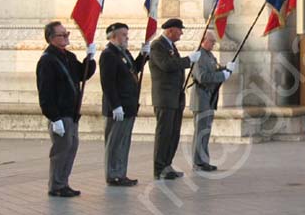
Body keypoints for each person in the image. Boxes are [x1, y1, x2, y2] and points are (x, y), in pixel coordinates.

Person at [36, 21, 96, 197]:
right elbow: (45, 92)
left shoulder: (68, 56)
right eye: (62, 35)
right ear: (51, 38)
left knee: (71, 148)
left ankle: (63, 182)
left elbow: (81, 74)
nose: (66, 37)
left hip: (72, 113)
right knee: (61, 151)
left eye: (67, 34)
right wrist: (54, 118)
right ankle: (56, 186)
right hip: (60, 114)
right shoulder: (47, 60)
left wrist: (90, 58)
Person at [149, 18, 201, 180]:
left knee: (173, 133)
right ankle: (159, 168)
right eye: (180, 30)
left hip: (176, 97)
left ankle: (167, 164)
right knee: (164, 134)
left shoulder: (171, 46)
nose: (182, 33)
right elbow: (167, 65)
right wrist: (188, 60)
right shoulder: (157, 46)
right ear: (170, 30)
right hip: (164, 98)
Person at [99, 23, 149, 186]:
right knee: (114, 143)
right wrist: (115, 105)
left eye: (126, 34)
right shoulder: (108, 55)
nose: (126, 37)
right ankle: (113, 175)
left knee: (123, 142)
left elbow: (133, 69)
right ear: (112, 36)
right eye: (123, 34)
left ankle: (120, 173)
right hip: (118, 107)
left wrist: (143, 56)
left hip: (128, 105)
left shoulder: (123, 52)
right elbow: (108, 83)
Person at [189, 30, 236, 171]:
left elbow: (214, 70)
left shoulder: (209, 56)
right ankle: (198, 162)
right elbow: (202, 77)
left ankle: (204, 160)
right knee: (200, 132)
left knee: (206, 131)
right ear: (204, 40)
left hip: (209, 98)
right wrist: (222, 75)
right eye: (212, 41)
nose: (214, 44)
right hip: (201, 98)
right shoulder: (198, 56)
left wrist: (226, 68)